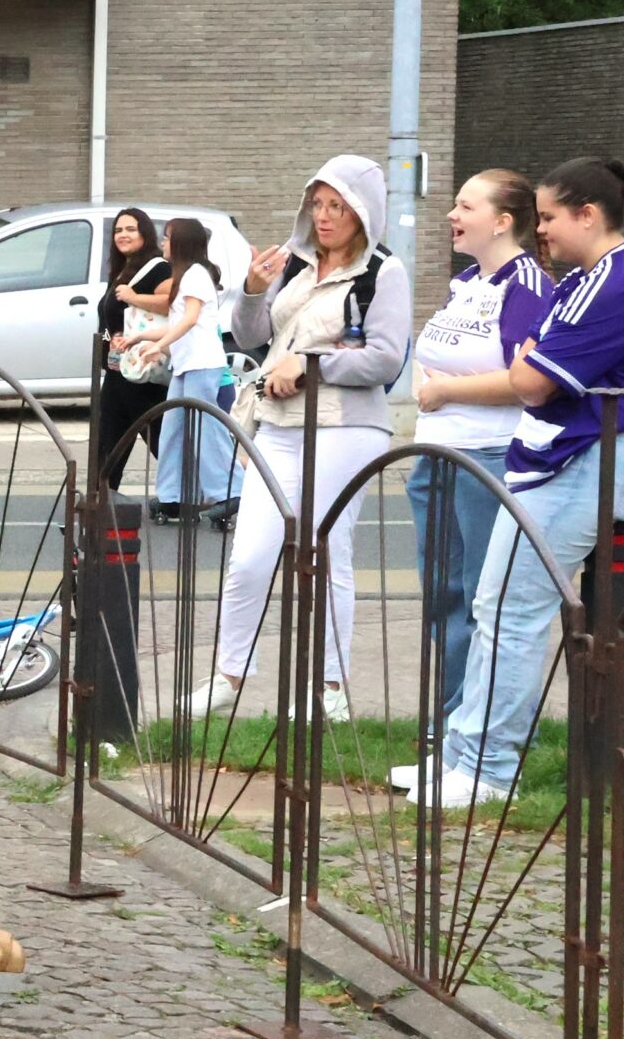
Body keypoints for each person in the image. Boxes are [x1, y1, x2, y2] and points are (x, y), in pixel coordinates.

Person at [397, 159, 624, 805]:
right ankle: (465, 754)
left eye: (549, 217)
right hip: (564, 453)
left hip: (585, 456)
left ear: (588, 214)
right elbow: (528, 365)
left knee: (513, 612)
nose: (541, 230)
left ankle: (489, 768)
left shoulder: (614, 280)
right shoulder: (595, 277)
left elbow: (529, 379)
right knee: (497, 607)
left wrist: (523, 369)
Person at [186, 156, 412, 723]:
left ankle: (328, 688)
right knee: (249, 558)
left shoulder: (382, 272)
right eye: (318, 204)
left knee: (327, 552)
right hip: (278, 424)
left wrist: (312, 365)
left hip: (345, 426)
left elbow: (386, 360)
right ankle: (228, 676)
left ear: (364, 212)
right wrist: (253, 291)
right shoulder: (298, 265)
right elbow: (253, 336)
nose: (325, 216)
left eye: (338, 206)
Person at [402, 170, 553, 716]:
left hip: (487, 455)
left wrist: (446, 390)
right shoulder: (466, 282)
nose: (452, 215)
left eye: (466, 207)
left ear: (502, 222)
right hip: (435, 454)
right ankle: (448, 721)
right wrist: (428, 380)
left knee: (479, 596)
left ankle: (476, 726)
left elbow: (527, 379)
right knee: (441, 593)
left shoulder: (527, 285)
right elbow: (437, 351)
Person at [130, 216, 238, 521]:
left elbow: (190, 319)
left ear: (181, 243)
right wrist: (142, 337)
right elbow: (180, 324)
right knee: (173, 430)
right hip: (187, 365)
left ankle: (231, 491)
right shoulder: (186, 275)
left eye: (167, 238)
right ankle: (173, 496)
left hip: (203, 364)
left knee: (206, 429)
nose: (163, 243)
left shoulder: (195, 275)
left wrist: (157, 345)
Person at [92, 208, 173, 490]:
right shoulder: (123, 269)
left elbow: (171, 303)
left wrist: (134, 297)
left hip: (142, 373)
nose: (123, 235)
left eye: (130, 229)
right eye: (118, 230)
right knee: (107, 442)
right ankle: (100, 502)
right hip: (118, 370)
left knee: (161, 440)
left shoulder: (157, 267)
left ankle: (194, 494)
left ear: (145, 233)